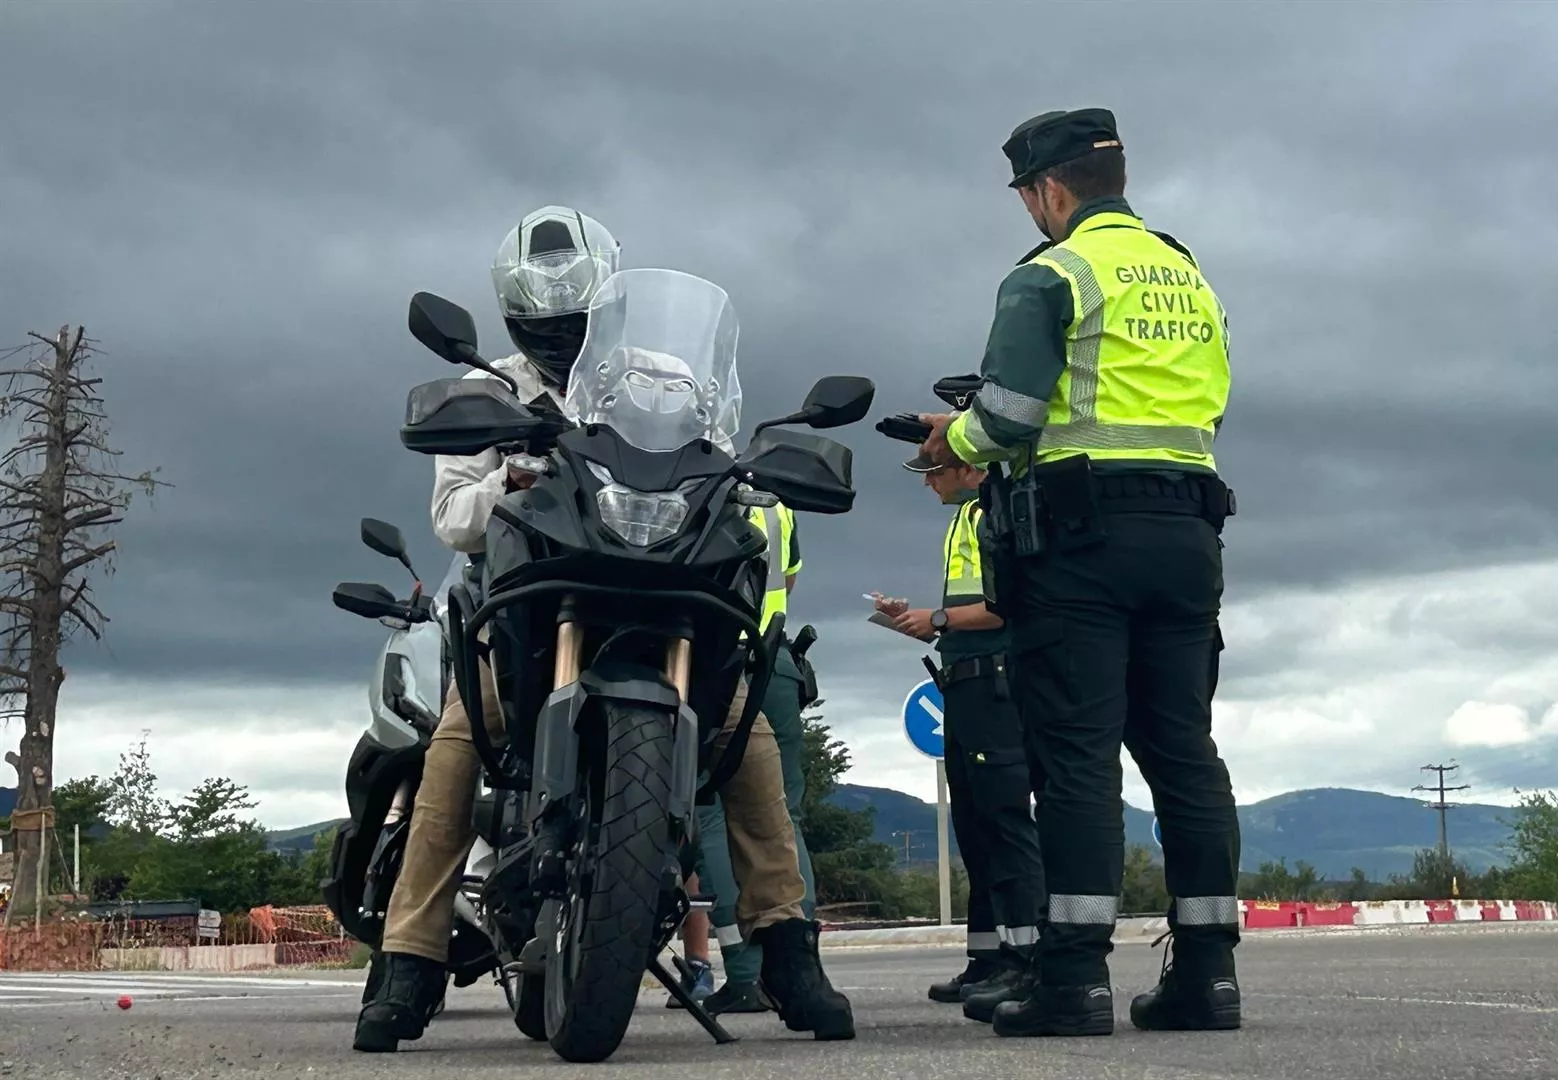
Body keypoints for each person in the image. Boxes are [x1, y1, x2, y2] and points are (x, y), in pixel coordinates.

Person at [355, 206, 854, 1052]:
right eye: (540, 325)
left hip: (657, 586)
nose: (558, 338)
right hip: (531, 601)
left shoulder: (662, 375)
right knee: (455, 742)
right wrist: (511, 476)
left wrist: (749, 478)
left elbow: (717, 453)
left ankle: (787, 950)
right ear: (513, 318)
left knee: (745, 737)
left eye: (574, 322)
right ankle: (410, 959)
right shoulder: (492, 389)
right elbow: (450, 519)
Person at [916, 108, 1240, 1038]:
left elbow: (1010, 413)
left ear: (1050, 190)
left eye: (1026, 196)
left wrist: (957, 436)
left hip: (1080, 539)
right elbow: (1211, 395)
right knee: (1184, 752)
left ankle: (1072, 981)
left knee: (1077, 759)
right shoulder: (1189, 273)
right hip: (1189, 530)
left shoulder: (1051, 274)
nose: (1029, 212)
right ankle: (1209, 977)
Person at [879, 453, 1044, 1013]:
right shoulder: (966, 517)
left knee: (1003, 822)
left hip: (993, 684)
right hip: (966, 684)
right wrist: (921, 620)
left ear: (973, 470)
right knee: (975, 828)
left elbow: (1006, 607)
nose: (928, 481)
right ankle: (987, 959)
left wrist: (940, 620)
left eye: (935, 470)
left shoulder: (990, 516)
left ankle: (1026, 960)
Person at [670, 499, 816, 1016]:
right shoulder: (781, 503)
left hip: (718, 655)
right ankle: (797, 962)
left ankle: (747, 972)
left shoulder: (702, 484)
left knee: (709, 811)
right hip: (775, 660)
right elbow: (788, 579)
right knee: (779, 814)